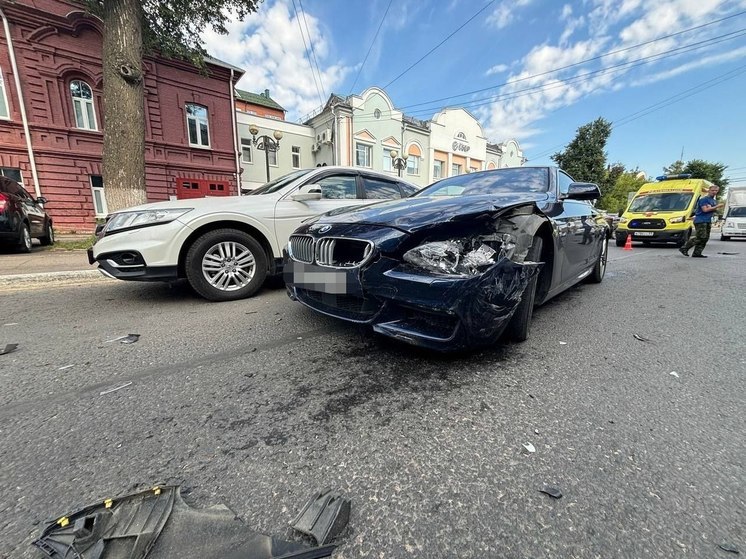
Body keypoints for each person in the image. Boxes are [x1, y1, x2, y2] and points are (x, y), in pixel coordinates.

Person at [679, 185, 723, 258]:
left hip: (708, 220)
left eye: (716, 191)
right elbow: (705, 210)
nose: (714, 192)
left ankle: (697, 253)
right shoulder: (704, 199)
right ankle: (684, 248)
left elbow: (712, 210)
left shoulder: (713, 201)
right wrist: (716, 207)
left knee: (705, 238)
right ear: (709, 190)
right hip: (701, 220)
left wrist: (713, 208)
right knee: (700, 237)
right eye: (712, 190)